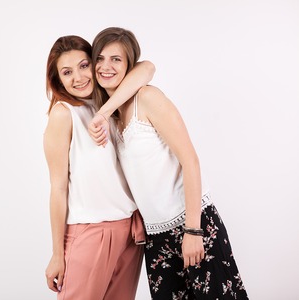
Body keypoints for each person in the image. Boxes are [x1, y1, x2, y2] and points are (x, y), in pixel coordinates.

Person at [88, 27, 248, 299]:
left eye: (116, 59)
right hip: (156, 237)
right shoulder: (111, 116)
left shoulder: (147, 98)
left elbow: (191, 161)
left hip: (193, 223)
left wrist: (193, 230)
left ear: (129, 65)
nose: (106, 66)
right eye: (100, 59)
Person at [43, 34, 156, 300]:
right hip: (91, 231)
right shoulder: (64, 114)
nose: (78, 77)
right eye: (67, 72)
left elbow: (147, 67)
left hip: (130, 231)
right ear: (58, 79)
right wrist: (57, 254)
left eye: (84, 66)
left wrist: (105, 111)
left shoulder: (108, 101)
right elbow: (57, 188)